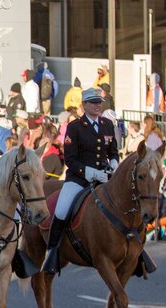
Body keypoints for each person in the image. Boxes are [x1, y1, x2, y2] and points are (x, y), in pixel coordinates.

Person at [42, 87, 120, 275]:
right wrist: (91, 173)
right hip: (79, 179)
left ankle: (138, 253)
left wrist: (114, 164)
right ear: (84, 105)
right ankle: (52, 252)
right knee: (61, 210)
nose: (97, 105)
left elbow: (113, 152)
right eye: (93, 102)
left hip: (105, 178)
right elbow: (70, 159)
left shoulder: (108, 125)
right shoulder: (75, 127)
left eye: (99, 102)